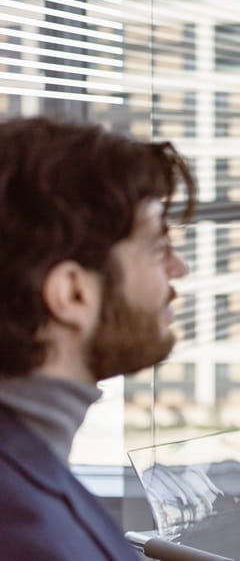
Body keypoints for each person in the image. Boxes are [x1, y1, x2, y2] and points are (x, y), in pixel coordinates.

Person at [0, 117, 194, 559]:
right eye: (158, 247)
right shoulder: (24, 531)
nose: (178, 269)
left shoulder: (32, 467)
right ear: (72, 293)